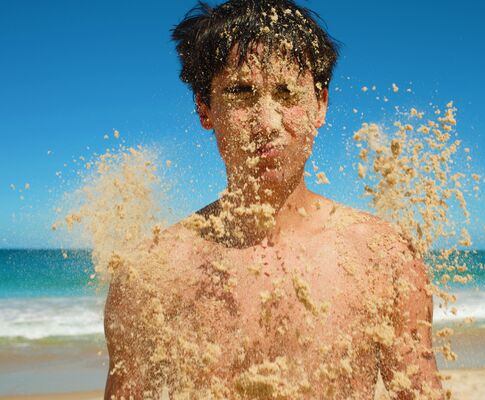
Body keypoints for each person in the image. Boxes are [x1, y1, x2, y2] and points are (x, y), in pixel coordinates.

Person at [104, 1, 443, 399]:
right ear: (204, 107)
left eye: (286, 93)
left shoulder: (382, 256)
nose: (266, 123)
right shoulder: (152, 271)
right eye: (241, 93)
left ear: (320, 104)